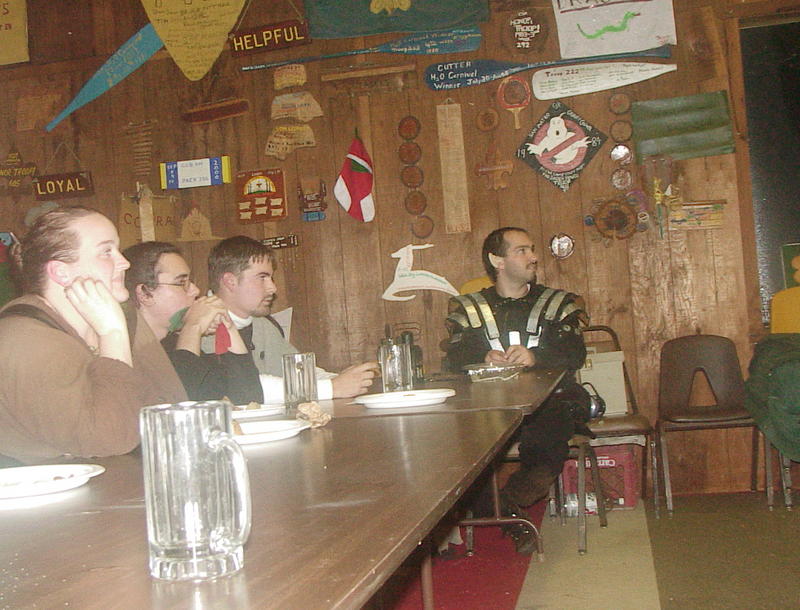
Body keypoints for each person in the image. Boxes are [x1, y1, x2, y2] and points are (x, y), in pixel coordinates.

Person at [0, 207, 186, 464]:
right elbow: (112, 440)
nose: (125, 263)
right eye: (106, 252)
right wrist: (112, 334)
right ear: (61, 272)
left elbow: (174, 408)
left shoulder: (123, 317)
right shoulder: (23, 340)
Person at [444, 227, 590, 553]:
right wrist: (483, 355)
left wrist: (536, 356)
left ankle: (507, 503)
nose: (533, 257)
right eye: (522, 250)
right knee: (465, 451)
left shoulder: (556, 303)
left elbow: (574, 353)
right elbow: (454, 356)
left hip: (549, 403)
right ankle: (509, 517)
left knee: (548, 442)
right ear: (497, 260)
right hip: (488, 406)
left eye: (532, 249)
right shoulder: (471, 308)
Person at [203, 236, 378, 401]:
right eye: (262, 278)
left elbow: (298, 370)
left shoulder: (262, 324)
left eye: (271, 278)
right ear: (230, 281)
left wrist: (345, 379)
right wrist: (331, 387)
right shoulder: (201, 326)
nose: (272, 288)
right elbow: (243, 387)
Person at [123, 241, 263, 405]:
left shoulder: (173, 344)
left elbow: (248, 400)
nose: (195, 290)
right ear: (145, 294)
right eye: (181, 283)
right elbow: (179, 404)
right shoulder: (126, 352)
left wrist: (228, 325)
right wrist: (193, 327)